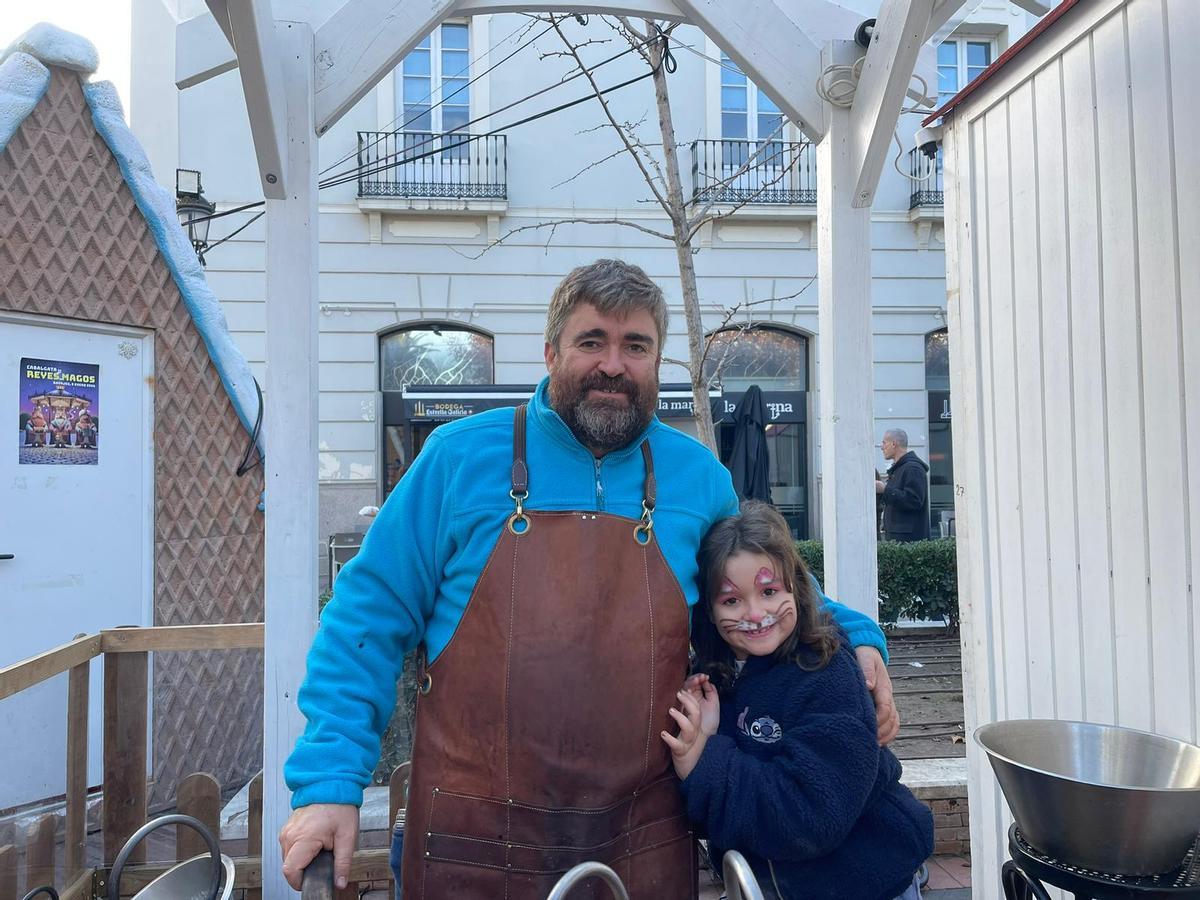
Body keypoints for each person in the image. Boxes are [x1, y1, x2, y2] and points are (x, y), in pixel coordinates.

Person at [278, 260, 900, 899]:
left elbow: (766, 586)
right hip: (472, 845)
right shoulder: (457, 458)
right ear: (551, 352)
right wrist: (329, 782)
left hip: (642, 841)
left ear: (657, 361)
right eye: (591, 341)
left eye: (636, 346)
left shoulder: (698, 477)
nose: (614, 364)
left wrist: (853, 633)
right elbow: (364, 619)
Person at [664, 502, 933, 900]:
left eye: (770, 591)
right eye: (732, 601)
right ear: (708, 608)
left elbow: (811, 817)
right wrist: (706, 734)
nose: (756, 614)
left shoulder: (827, 673)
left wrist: (704, 760)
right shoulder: (716, 677)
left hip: (864, 885)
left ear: (798, 586)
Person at [875, 429, 930, 542]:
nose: (881, 447)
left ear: (894, 444)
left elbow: (914, 500)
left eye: (884, 443)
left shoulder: (912, 468)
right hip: (900, 538)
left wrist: (885, 490)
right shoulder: (899, 469)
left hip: (908, 541)